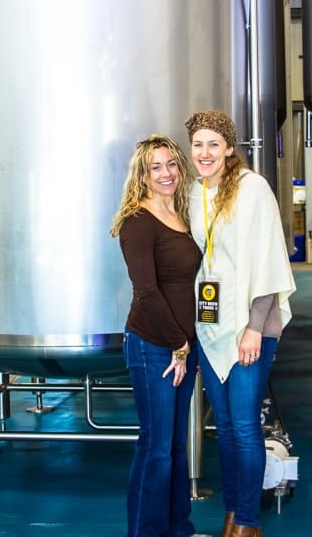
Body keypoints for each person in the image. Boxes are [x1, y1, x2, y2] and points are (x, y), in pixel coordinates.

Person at [184, 111, 295, 537]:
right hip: (211, 327)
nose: (205, 152)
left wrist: (253, 327)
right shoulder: (194, 194)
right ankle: (232, 513)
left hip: (251, 327)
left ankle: (248, 522)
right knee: (225, 426)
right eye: (198, 144)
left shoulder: (252, 190)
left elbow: (268, 260)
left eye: (214, 144)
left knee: (246, 425)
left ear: (230, 148)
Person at [111, 134, 210, 537]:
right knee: (156, 447)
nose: (166, 173)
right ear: (143, 174)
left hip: (182, 348)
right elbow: (146, 292)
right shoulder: (138, 221)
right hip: (155, 347)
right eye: (156, 167)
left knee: (173, 446)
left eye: (171, 164)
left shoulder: (184, 215)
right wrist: (178, 343)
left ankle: (178, 529)